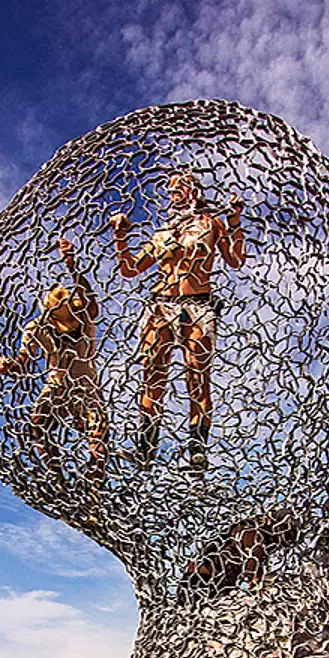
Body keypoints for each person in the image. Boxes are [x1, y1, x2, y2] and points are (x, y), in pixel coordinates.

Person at [110, 171, 246, 471]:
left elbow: (236, 260)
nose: (174, 193)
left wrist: (235, 222)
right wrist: (120, 237)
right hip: (160, 306)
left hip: (198, 306)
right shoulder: (162, 233)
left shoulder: (212, 224)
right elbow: (131, 269)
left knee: (197, 380)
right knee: (153, 379)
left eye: (179, 187)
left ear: (194, 191)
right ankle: (145, 449)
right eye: (170, 189)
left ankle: (197, 449)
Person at [0, 237, 108, 503]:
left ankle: (93, 493)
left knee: (99, 434)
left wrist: (72, 265)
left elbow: (91, 302)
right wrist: (9, 365)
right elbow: (25, 360)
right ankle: (58, 481)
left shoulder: (85, 318)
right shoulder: (37, 328)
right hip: (56, 384)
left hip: (86, 386)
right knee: (37, 424)